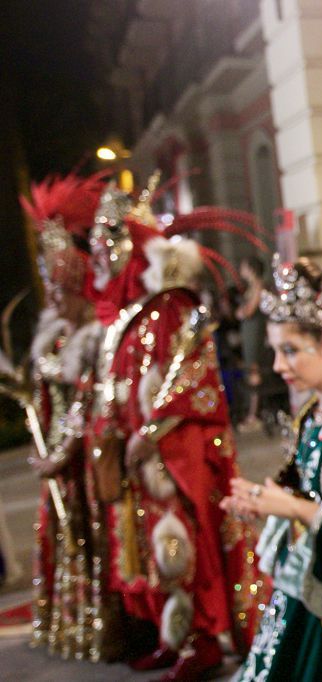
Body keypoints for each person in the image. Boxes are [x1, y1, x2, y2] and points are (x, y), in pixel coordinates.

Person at [86, 180, 263, 680]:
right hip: (143, 459)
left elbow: (193, 378)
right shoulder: (131, 317)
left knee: (186, 541)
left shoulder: (173, 306)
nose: (101, 258)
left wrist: (151, 433)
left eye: (109, 245)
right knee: (155, 543)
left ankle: (204, 640)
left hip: (173, 454)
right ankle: (176, 634)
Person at [221, 257, 322, 681]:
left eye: (290, 351)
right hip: (300, 581)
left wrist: (291, 508)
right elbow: (305, 489)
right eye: (275, 352)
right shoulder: (312, 414)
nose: (279, 367)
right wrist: (267, 501)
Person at [20, 173, 120, 661]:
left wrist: (61, 455)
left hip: (81, 463)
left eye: (60, 292)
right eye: (50, 293)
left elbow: (89, 405)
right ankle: (69, 626)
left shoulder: (97, 339)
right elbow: (49, 402)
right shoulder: (52, 336)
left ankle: (104, 626)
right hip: (57, 462)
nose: (54, 302)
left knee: (93, 538)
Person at [236, 256, 268, 431]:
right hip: (249, 332)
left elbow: (249, 310)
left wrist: (241, 312)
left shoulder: (258, 286)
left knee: (254, 370)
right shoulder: (252, 287)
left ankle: (254, 414)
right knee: (250, 369)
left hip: (255, 332)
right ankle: (253, 412)